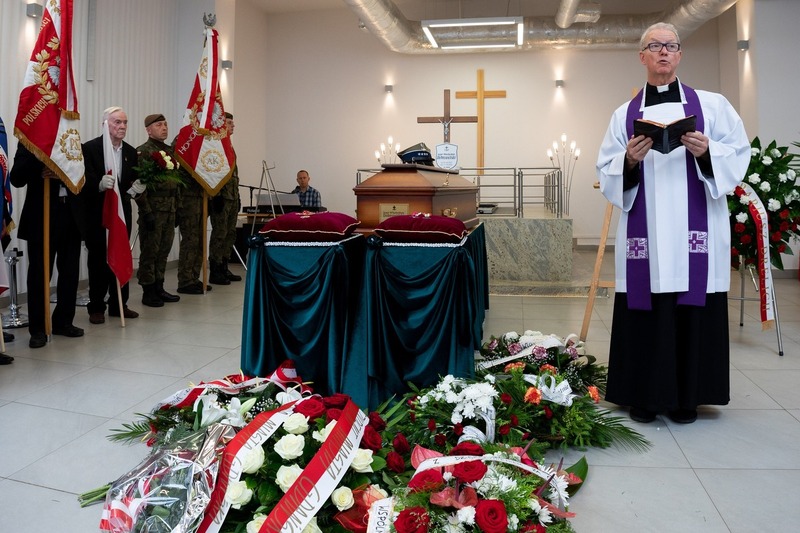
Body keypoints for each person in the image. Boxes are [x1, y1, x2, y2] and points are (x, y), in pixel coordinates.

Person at [596, 22, 750, 424]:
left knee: (691, 304)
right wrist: (627, 160)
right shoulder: (623, 115)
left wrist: (707, 151)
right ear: (642, 56)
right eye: (655, 46)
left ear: (679, 54)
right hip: (645, 234)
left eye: (671, 45)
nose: (663, 52)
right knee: (647, 307)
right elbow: (607, 167)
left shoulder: (713, 106)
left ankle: (688, 398)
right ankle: (644, 397)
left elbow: (739, 153)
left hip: (694, 230)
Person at [10, 145, 86, 348]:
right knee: (39, 274)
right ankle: (38, 329)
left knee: (70, 272)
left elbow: (82, 175)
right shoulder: (30, 142)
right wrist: (40, 164)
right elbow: (16, 179)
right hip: (41, 217)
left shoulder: (70, 138)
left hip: (70, 215)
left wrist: (63, 173)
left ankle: (63, 321)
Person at [82, 106, 141, 324]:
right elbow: (82, 181)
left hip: (121, 214)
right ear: (105, 124)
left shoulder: (130, 152)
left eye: (125, 122)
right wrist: (97, 185)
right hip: (98, 214)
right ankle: (96, 306)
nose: (122, 126)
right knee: (98, 260)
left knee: (121, 254)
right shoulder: (90, 148)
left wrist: (136, 189)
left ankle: (119, 304)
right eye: (117, 122)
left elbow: (128, 184)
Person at [135, 113, 181, 306]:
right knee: (150, 252)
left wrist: (177, 208)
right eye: (159, 125)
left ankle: (159, 287)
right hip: (153, 211)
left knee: (164, 251)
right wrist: (146, 212)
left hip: (169, 210)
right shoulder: (143, 151)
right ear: (148, 130)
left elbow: (177, 183)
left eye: (165, 124)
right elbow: (139, 186)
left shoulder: (170, 151)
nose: (164, 128)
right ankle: (148, 290)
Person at [208, 112, 242, 285]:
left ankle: (224, 267)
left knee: (230, 234)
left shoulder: (229, 145)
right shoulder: (216, 146)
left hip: (232, 197)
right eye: (229, 123)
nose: (232, 126)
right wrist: (217, 196)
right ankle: (215, 270)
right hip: (222, 198)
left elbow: (234, 175)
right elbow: (213, 174)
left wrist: (238, 196)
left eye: (232, 123)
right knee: (219, 234)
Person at [174, 143, 211, 295]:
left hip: (200, 197)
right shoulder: (185, 139)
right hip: (187, 199)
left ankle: (194, 277)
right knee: (190, 240)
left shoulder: (205, 140)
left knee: (200, 241)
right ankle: (185, 280)